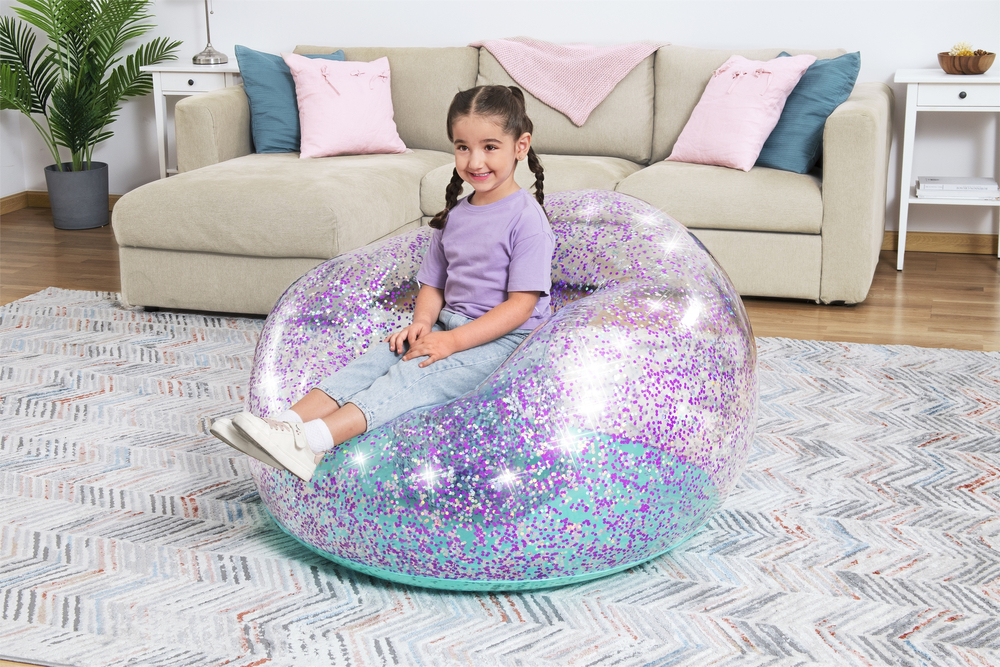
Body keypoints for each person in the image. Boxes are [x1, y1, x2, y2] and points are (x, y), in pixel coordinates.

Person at [211, 85, 555, 481]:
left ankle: (310, 444)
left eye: (490, 147)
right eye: (463, 147)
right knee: (374, 361)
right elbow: (434, 283)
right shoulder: (456, 216)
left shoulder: (527, 220)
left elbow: (520, 306)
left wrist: (452, 342)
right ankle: (281, 427)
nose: (475, 161)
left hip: (506, 342)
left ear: (520, 146)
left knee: (413, 375)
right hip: (449, 327)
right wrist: (423, 323)